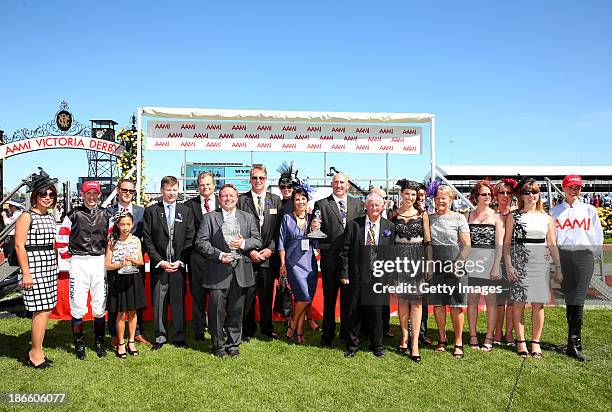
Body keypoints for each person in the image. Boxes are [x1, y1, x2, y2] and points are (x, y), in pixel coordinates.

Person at [195, 184, 262, 358]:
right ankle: (218, 345)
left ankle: (233, 344)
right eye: (225, 196)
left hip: (240, 272)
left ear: (237, 198)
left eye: (232, 196)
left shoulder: (247, 217)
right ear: (219, 198)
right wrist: (218, 255)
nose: (228, 199)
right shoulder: (210, 218)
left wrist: (243, 244)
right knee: (217, 310)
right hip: (217, 272)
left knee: (236, 311)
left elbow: (257, 240)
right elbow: (201, 242)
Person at [503, 178, 562, 358]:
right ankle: (521, 342)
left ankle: (535, 342)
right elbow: (506, 244)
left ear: (539, 194)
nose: (531, 196)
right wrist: (509, 265)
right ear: (521, 195)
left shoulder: (547, 218)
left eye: (534, 192)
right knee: (519, 303)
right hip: (520, 262)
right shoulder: (514, 216)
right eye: (527, 192)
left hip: (541, 264)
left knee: (538, 304)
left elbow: (552, 244)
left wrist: (558, 267)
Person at [550, 174, 603, 361]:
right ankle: (575, 341)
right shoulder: (555, 211)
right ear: (564, 188)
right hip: (563, 256)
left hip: (583, 256)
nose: (575, 190)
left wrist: (589, 255)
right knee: (570, 298)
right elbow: (552, 237)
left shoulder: (590, 210)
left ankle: (573, 344)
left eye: (578, 187)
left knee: (578, 299)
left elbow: (598, 237)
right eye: (571, 187)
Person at [57, 181, 110, 360]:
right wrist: (69, 259)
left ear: (99, 195)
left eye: (95, 193)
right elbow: (62, 238)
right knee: (78, 304)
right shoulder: (73, 214)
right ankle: (79, 345)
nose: (92, 196)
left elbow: (111, 240)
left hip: (99, 262)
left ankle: (99, 343)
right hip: (79, 262)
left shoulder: (106, 214)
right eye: (88, 193)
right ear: (82, 194)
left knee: (99, 304)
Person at [142, 176, 195, 350]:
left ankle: (179, 337)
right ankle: (160, 337)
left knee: (178, 301)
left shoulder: (185, 211)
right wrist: (160, 261)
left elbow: (190, 238)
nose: (171, 193)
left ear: (178, 190)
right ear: (162, 191)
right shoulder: (151, 211)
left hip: (178, 266)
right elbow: (147, 240)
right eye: (168, 189)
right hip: (160, 266)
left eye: (174, 189)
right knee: (159, 302)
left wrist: (181, 261)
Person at [340, 192, 395, 358]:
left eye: (377, 205)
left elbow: (392, 254)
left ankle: (377, 346)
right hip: (357, 275)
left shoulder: (389, 227)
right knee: (353, 312)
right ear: (365, 206)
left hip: (378, 277)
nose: (374, 208)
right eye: (370, 205)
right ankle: (352, 346)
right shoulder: (353, 225)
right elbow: (345, 252)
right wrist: (345, 273)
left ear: (382, 206)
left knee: (377, 314)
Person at [313, 172, 364, 347]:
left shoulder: (358, 204)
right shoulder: (321, 204)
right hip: (330, 260)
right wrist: (314, 226)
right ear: (331, 184)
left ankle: (346, 333)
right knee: (329, 300)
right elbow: (315, 230)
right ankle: (327, 336)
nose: (339, 185)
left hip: (351, 262)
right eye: (336, 182)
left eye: (342, 182)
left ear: (348, 185)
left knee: (349, 301)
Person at [14, 177, 59, 368]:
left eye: (51, 194)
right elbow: (19, 246)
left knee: (46, 309)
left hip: (49, 265)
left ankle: (37, 348)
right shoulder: (27, 216)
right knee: (40, 310)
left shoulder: (49, 216)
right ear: (35, 195)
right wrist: (26, 273)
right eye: (43, 193)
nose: (47, 197)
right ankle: (35, 353)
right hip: (34, 266)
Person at [388, 179, 431, 362]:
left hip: (418, 260)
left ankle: (414, 344)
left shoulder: (423, 214)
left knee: (417, 302)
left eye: (413, 194)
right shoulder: (392, 214)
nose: (410, 197)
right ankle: (404, 336)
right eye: (407, 194)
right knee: (403, 301)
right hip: (399, 260)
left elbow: (428, 241)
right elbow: (388, 241)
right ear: (401, 194)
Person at [238, 165, 283, 340]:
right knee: (248, 295)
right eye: (255, 178)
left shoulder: (275, 200)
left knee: (266, 296)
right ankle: (247, 330)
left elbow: (279, 230)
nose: (258, 181)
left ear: (266, 179)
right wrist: (249, 250)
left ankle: (266, 329)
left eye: (261, 178)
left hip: (267, 258)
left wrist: (270, 249)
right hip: (248, 257)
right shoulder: (242, 200)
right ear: (250, 179)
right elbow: (237, 229)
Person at [429, 184, 471, 359]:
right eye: (437, 198)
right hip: (436, 265)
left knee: (455, 306)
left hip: (456, 264)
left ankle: (458, 342)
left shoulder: (459, 218)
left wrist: (458, 264)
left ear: (451, 199)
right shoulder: (429, 218)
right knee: (438, 305)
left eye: (443, 198)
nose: (440, 201)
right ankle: (442, 339)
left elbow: (467, 245)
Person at [106, 179, 149, 347]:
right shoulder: (107, 211)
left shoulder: (141, 212)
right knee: (115, 302)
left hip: (135, 264)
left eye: (131, 191)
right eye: (125, 190)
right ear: (118, 190)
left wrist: (138, 258)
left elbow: (146, 235)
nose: (128, 193)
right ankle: (114, 334)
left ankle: (137, 332)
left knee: (135, 301)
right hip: (115, 266)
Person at [464, 181, 504, 352]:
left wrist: (495, 267)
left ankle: (489, 336)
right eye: (484, 194)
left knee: (490, 301)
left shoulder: (497, 217)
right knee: (472, 300)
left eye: (489, 194)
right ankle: (472, 335)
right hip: (472, 265)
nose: (488, 197)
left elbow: (500, 244)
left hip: (490, 264)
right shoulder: (467, 215)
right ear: (476, 197)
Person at [278, 186, 319, 344]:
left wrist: (316, 230)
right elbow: (281, 243)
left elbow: (316, 244)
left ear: (307, 201)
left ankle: (298, 332)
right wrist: (282, 264)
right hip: (293, 263)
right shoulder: (287, 218)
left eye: (303, 198)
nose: (300, 201)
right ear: (293, 202)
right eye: (297, 199)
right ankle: (292, 323)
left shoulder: (312, 219)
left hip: (309, 263)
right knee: (304, 296)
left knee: (305, 298)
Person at [105, 212, 146, 358]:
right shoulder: (112, 241)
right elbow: (107, 265)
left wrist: (134, 261)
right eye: (122, 224)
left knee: (133, 312)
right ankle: (121, 343)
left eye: (128, 224)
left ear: (133, 224)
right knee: (121, 313)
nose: (125, 227)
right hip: (118, 279)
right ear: (117, 225)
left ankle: (131, 341)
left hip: (133, 279)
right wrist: (120, 264)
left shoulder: (136, 241)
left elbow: (141, 261)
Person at [185, 171, 219, 341]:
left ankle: (217, 326)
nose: (205, 187)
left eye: (208, 184)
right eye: (202, 184)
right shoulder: (188, 205)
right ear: (198, 187)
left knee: (217, 294)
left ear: (214, 185)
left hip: (219, 256)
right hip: (197, 257)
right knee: (198, 293)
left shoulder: (223, 202)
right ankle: (199, 327)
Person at [493, 179, 517, 346]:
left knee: (513, 300)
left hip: (515, 260)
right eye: (502, 192)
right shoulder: (490, 215)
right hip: (495, 261)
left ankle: (509, 333)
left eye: (508, 193)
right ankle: (498, 332)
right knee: (499, 300)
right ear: (496, 195)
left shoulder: (518, 214)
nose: (505, 196)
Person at [2, 200, 25, 266]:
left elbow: (7, 222)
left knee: (11, 253)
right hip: (15, 236)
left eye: (10, 206)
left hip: (14, 236)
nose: (9, 208)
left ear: (14, 207)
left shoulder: (17, 214)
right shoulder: (20, 213)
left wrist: (4, 215)